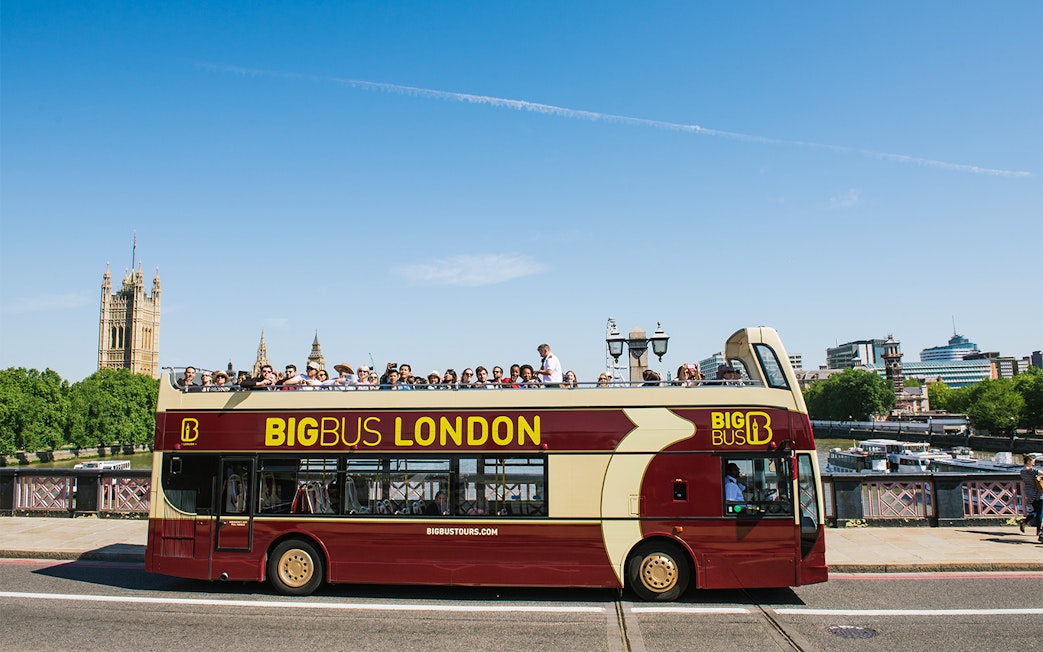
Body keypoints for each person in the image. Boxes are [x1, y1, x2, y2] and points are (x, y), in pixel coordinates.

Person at [1019, 454, 1042, 539]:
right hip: (1038, 492)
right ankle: (1039, 530)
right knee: (1040, 512)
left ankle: (1025, 521)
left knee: (1036, 510)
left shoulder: (1022, 471)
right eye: (1033, 462)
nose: (1033, 464)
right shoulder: (1032, 470)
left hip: (1029, 492)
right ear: (1028, 461)